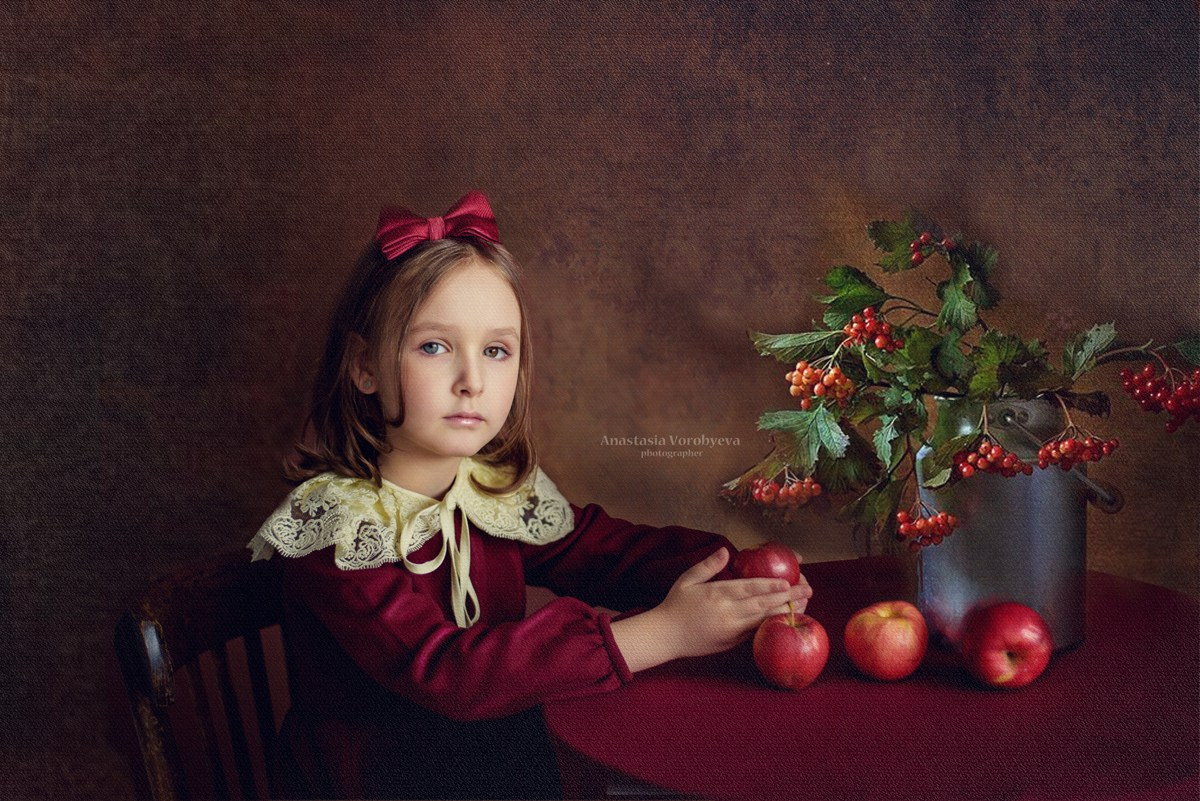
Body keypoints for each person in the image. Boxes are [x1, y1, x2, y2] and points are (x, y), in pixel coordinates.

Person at [249, 191, 812, 799]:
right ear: (365, 366)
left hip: (496, 770)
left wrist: (736, 572)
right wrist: (663, 633)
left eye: (496, 351)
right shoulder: (335, 530)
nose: (472, 381)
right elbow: (450, 672)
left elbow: (601, 550)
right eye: (434, 347)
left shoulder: (485, 492)